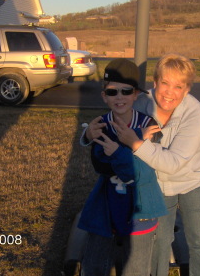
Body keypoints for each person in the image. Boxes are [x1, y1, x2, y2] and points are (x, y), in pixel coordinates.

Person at [85, 54, 200, 275]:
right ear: (155, 83)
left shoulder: (194, 112)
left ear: (187, 90)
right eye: (164, 83)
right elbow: (113, 117)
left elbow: (174, 163)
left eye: (178, 86)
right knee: (160, 241)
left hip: (194, 179)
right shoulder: (141, 102)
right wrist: (87, 135)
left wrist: (136, 144)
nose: (169, 92)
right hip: (157, 183)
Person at [78, 58, 167, 276]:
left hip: (140, 208)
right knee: (94, 266)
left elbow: (142, 173)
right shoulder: (100, 125)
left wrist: (120, 150)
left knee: (136, 269)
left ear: (136, 94)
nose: (119, 97)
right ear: (104, 96)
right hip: (106, 206)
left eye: (126, 91)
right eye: (112, 92)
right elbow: (101, 165)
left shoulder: (149, 125)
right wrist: (135, 142)